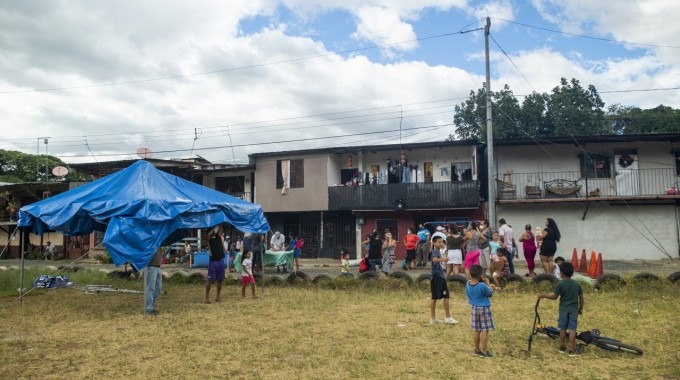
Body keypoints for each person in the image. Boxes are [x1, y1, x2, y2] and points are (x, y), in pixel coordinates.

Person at [537, 262, 584, 356]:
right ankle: (571, 349)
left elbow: (554, 296)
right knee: (572, 329)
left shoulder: (560, 284)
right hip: (573, 310)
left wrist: (543, 295)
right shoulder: (577, 284)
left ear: (561, 273)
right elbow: (581, 298)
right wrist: (580, 308)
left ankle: (562, 347)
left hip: (563, 310)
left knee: (562, 329)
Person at [466, 264, 496, 357]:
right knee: (485, 330)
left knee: (477, 330)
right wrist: (488, 283)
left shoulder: (467, 284)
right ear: (480, 275)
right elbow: (489, 293)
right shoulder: (482, 285)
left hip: (474, 308)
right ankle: (484, 351)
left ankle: (477, 349)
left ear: (470, 274)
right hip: (484, 309)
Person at [429, 235, 458, 325]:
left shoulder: (438, 251)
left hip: (435, 276)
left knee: (434, 297)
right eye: (439, 242)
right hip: (438, 277)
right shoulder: (435, 251)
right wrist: (443, 259)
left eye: (442, 241)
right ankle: (448, 317)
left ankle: (433, 319)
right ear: (434, 243)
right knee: (446, 296)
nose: (441, 243)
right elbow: (434, 259)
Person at [205, 227, 226, 304]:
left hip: (220, 261)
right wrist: (212, 229)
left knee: (220, 280)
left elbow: (220, 230)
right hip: (213, 261)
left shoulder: (220, 237)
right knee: (210, 280)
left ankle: (218, 296)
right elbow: (207, 236)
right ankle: (206, 297)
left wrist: (219, 224)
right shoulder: (209, 239)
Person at [144, 247, 163, 316]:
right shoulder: (152, 239)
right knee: (151, 288)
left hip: (158, 266)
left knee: (158, 288)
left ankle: (150, 305)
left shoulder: (158, 239)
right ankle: (149, 309)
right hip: (151, 266)